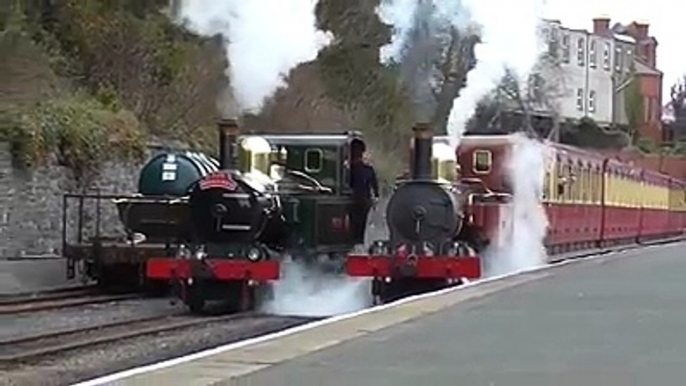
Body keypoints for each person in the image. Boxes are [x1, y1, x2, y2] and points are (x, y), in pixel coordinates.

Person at [349, 140, 379, 244]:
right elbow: (374, 186)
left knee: (356, 222)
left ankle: (356, 240)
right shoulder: (368, 169)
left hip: (354, 199)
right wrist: (375, 197)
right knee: (361, 222)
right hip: (363, 199)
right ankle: (359, 240)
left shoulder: (350, 170)